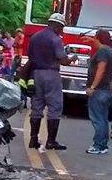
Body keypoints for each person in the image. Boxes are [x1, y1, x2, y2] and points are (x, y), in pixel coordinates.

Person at [28, 13, 77, 150]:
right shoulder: (55, 39)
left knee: (36, 107)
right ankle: (51, 141)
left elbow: (31, 57)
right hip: (51, 74)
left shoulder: (35, 37)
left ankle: (33, 139)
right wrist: (72, 58)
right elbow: (63, 60)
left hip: (36, 73)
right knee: (55, 107)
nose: (62, 30)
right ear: (57, 26)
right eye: (62, 27)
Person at [85, 29, 112, 155]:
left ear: (97, 37)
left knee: (97, 118)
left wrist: (92, 87)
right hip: (107, 89)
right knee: (103, 118)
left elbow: (101, 68)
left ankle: (98, 145)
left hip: (99, 90)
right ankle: (103, 144)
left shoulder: (103, 51)